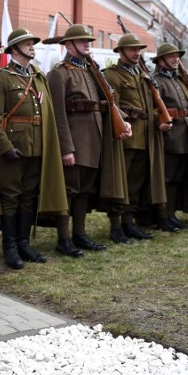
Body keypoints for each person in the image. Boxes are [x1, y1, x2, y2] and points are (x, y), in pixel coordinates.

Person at [0, 29, 69, 269]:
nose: (32, 46)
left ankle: (24, 245)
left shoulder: (37, 76)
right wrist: (5, 148)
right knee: (11, 198)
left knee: (28, 197)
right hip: (13, 148)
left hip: (37, 148)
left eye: (33, 43)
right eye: (27, 44)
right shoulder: (0, 78)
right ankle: (10, 247)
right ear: (14, 49)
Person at [46, 24, 130, 251]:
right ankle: (64, 239)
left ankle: (80, 234)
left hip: (95, 141)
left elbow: (107, 101)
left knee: (85, 191)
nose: (87, 44)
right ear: (68, 45)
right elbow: (57, 115)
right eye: (82, 41)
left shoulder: (92, 71)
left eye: (88, 40)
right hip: (75, 141)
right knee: (69, 190)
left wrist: (124, 120)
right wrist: (66, 148)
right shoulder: (59, 73)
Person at [102, 34, 175, 238]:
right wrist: (125, 119)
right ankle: (116, 226)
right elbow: (111, 105)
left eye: (138, 50)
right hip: (126, 135)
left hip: (145, 137)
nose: (136, 53)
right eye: (132, 49)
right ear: (121, 52)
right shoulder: (112, 75)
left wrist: (159, 119)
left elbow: (150, 106)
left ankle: (129, 221)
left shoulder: (142, 75)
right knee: (120, 182)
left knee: (135, 182)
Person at [151, 43, 188, 227]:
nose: (176, 59)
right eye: (171, 56)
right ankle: (162, 217)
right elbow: (152, 108)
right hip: (170, 137)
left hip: (186, 135)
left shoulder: (180, 80)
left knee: (178, 178)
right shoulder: (156, 81)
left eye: (177, 56)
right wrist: (160, 120)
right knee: (167, 178)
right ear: (161, 60)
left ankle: (171, 214)